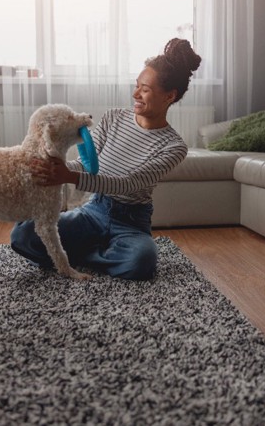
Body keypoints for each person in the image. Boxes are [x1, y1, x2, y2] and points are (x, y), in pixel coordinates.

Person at [10, 38, 202, 280]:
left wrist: (69, 176)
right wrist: (56, 170)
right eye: (136, 85)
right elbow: (87, 167)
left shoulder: (174, 146)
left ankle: (78, 253)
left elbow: (129, 183)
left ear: (169, 96)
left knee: (142, 261)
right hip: (94, 211)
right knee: (22, 235)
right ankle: (94, 252)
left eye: (145, 89)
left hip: (131, 224)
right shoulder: (113, 118)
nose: (135, 94)